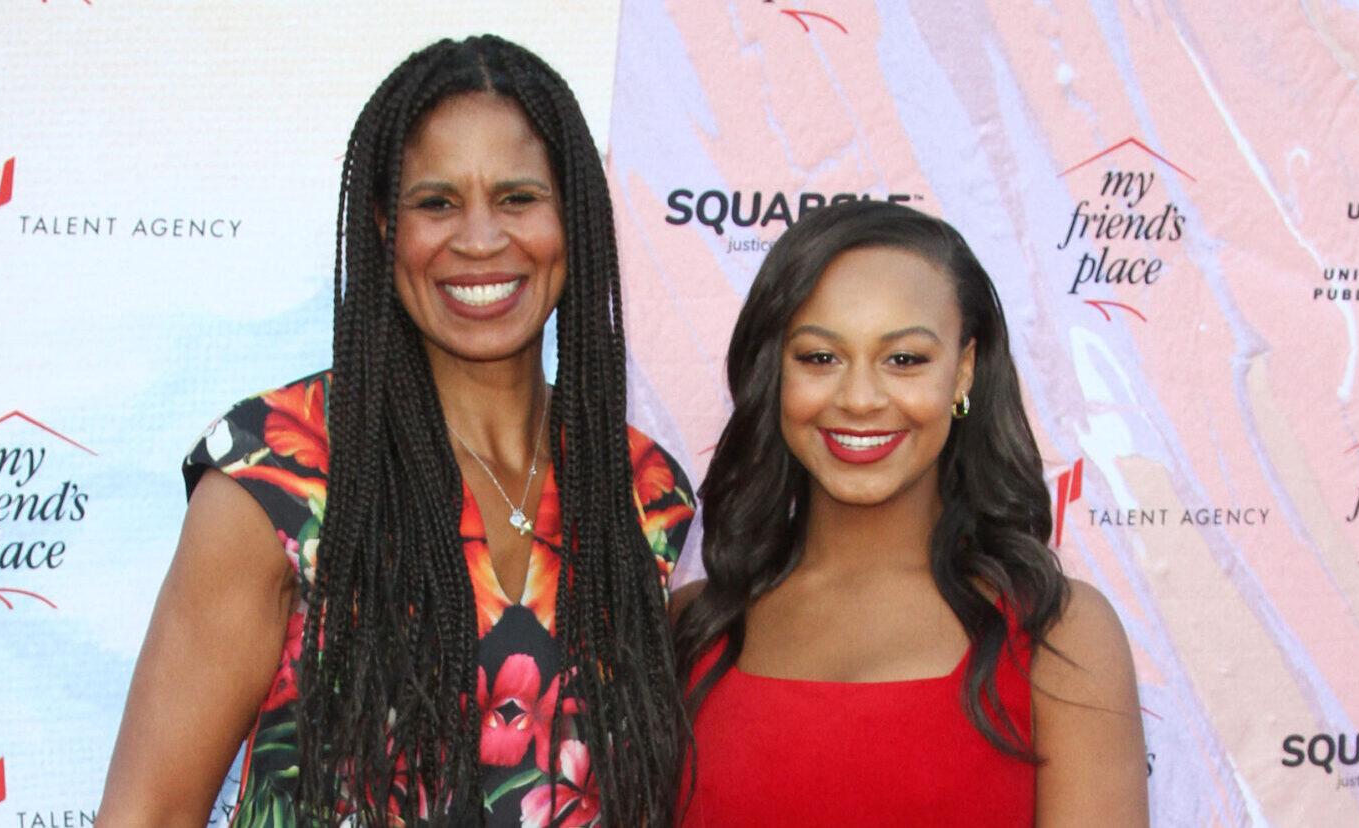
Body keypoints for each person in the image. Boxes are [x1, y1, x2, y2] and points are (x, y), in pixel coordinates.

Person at [99, 36, 697, 827]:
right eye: (437, 202)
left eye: (518, 198)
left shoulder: (644, 491)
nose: (480, 239)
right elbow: (147, 814)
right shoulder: (278, 473)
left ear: (574, 220)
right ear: (385, 226)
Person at [673, 200, 1147, 825]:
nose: (861, 398)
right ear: (774, 372)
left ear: (964, 372)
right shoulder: (692, 626)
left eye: (904, 360)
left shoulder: (1059, 634)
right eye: (820, 357)